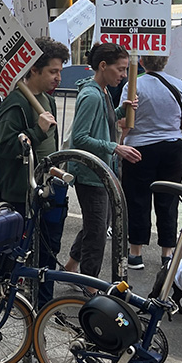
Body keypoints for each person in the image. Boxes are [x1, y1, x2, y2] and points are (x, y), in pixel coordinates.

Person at [0, 37, 69, 301]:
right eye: (53, 71)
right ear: (34, 70)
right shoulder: (15, 103)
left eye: (60, 71)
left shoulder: (47, 101)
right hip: (24, 193)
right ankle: (21, 301)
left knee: (49, 250)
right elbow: (5, 148)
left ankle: (44, 303)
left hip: (52, 188)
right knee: (25, 251)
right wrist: (37, 131)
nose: (58, 77)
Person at [64, 43, 140, 280]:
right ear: (103, 66)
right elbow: (80, 137)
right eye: (120, 69)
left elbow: (101, 123)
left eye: (126, 70)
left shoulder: (102, 91)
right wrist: (115, 147)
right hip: (90, 173)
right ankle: (89, 282)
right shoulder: (91, 94)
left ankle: (71, 267)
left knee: (95, 225)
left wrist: (119, 111)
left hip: (101, 170)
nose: (124, 75)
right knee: (97, 231)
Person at [120, 55, 182, 270]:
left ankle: (136, 252)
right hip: (173, 147)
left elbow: (125, 120)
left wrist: (120, 141)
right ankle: (167, 253)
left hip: (139, 147)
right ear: (166, 60)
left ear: (141, 62)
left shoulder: (133, 85)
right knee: (168, 199)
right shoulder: (180, 86)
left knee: (137, 199)